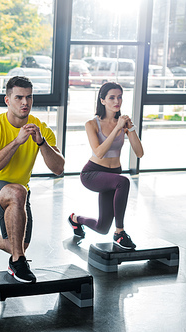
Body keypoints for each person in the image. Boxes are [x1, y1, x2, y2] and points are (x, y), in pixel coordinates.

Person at [0, 76, 65, 283]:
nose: (25, 103)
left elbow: (59, 168)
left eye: (29, 97)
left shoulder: (40, 128)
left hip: (19, 196)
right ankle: (17, 263)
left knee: (19, 244)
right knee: (17, 192)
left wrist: (41, 143)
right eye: (19, 97)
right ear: (7, 100)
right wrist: (17, 142)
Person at [68, 82, 144, 249]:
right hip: (92, 174)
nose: (117, 101)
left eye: (119, 97)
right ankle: (119, 232)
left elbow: (139, 153)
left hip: (113, 175)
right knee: (123, 181)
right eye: (112, 97)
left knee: (102, 228)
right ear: (102, 100)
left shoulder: (124, 124)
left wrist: (130, 129)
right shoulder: (92, 124)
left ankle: (75, 219)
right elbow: (99, 152)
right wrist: (117, 128)